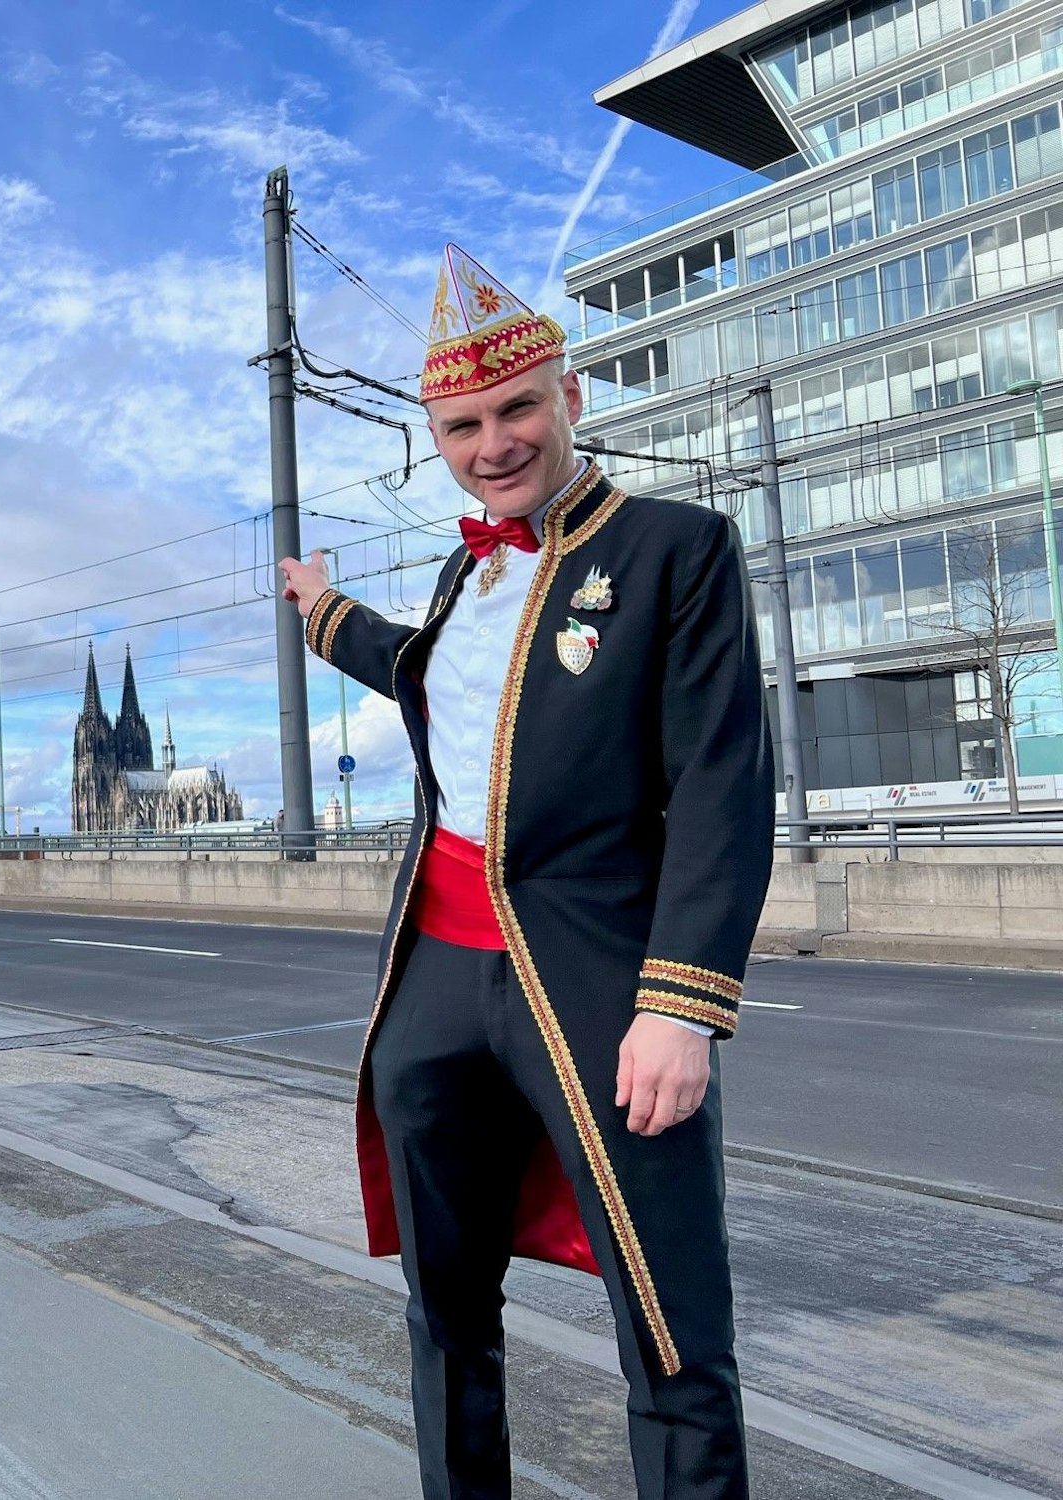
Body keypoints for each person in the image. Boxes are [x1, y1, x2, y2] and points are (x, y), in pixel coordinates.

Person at [281, 245, 772, 1500]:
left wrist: (679, 1003)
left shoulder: (677, 549)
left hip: (598, 982)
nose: (491, 444)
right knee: (444, 1321)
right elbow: (433, 680)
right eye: (461, 425)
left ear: (568, 399)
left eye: (514, 410)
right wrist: (324, 616)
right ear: (432, 439)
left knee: (670, 1332)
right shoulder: (467, 569)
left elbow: (721, 781)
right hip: (432, 987)